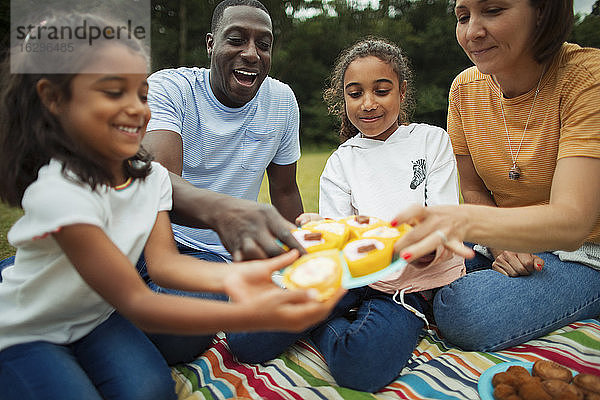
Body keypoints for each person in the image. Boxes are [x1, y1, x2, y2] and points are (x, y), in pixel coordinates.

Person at [0, 13, 343, 400]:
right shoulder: (60, 193)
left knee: (151, 392)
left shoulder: (149, 178)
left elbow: (165, 263)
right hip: (28, 331)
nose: (137, 110)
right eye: (114, 92)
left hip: (94, 318)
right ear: (54, 99)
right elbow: (138, 302)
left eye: (141, 94)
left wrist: (236, 279)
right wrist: (250, 314)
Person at [227, 37, 465, 393]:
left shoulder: (431, 142)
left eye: (381, 91)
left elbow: (442, 222)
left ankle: (325, 323)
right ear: (344, 100)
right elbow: (339, 239)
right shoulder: (341, 161)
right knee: (245, 341)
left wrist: (427, 246)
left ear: (401, 92)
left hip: (406, 288)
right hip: (352, 276)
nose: (368, 104)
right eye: (355, 94)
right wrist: (319, 234)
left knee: (360, 367)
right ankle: (326, 311)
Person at [391, 0, 600, 352]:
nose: (472, 32)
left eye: (493, 10)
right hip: (503, 237)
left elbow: (573, 221)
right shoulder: (464, 90)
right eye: (463, 16)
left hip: (582, 251)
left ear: (542, 12)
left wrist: (455, 221)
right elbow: (472, 187)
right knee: (406, 265)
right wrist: (503, 246)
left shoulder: (586, 78)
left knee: (467, 310)